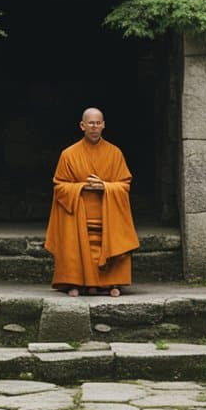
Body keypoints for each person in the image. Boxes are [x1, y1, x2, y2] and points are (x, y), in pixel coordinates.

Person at [45, 107, 140, 297]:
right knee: (77, 247)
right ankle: (76, 283)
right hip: (78, 215)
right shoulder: (68, 154)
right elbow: (59, 186)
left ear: (103, 125)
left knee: (108, 244)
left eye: (98, 123)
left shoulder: (115, 153)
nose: (94, 127)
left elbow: (124, 184)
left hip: (107, 213)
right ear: (82, 126)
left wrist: (105, 186)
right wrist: (81, 187)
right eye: (90, 123)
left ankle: (111, 283)